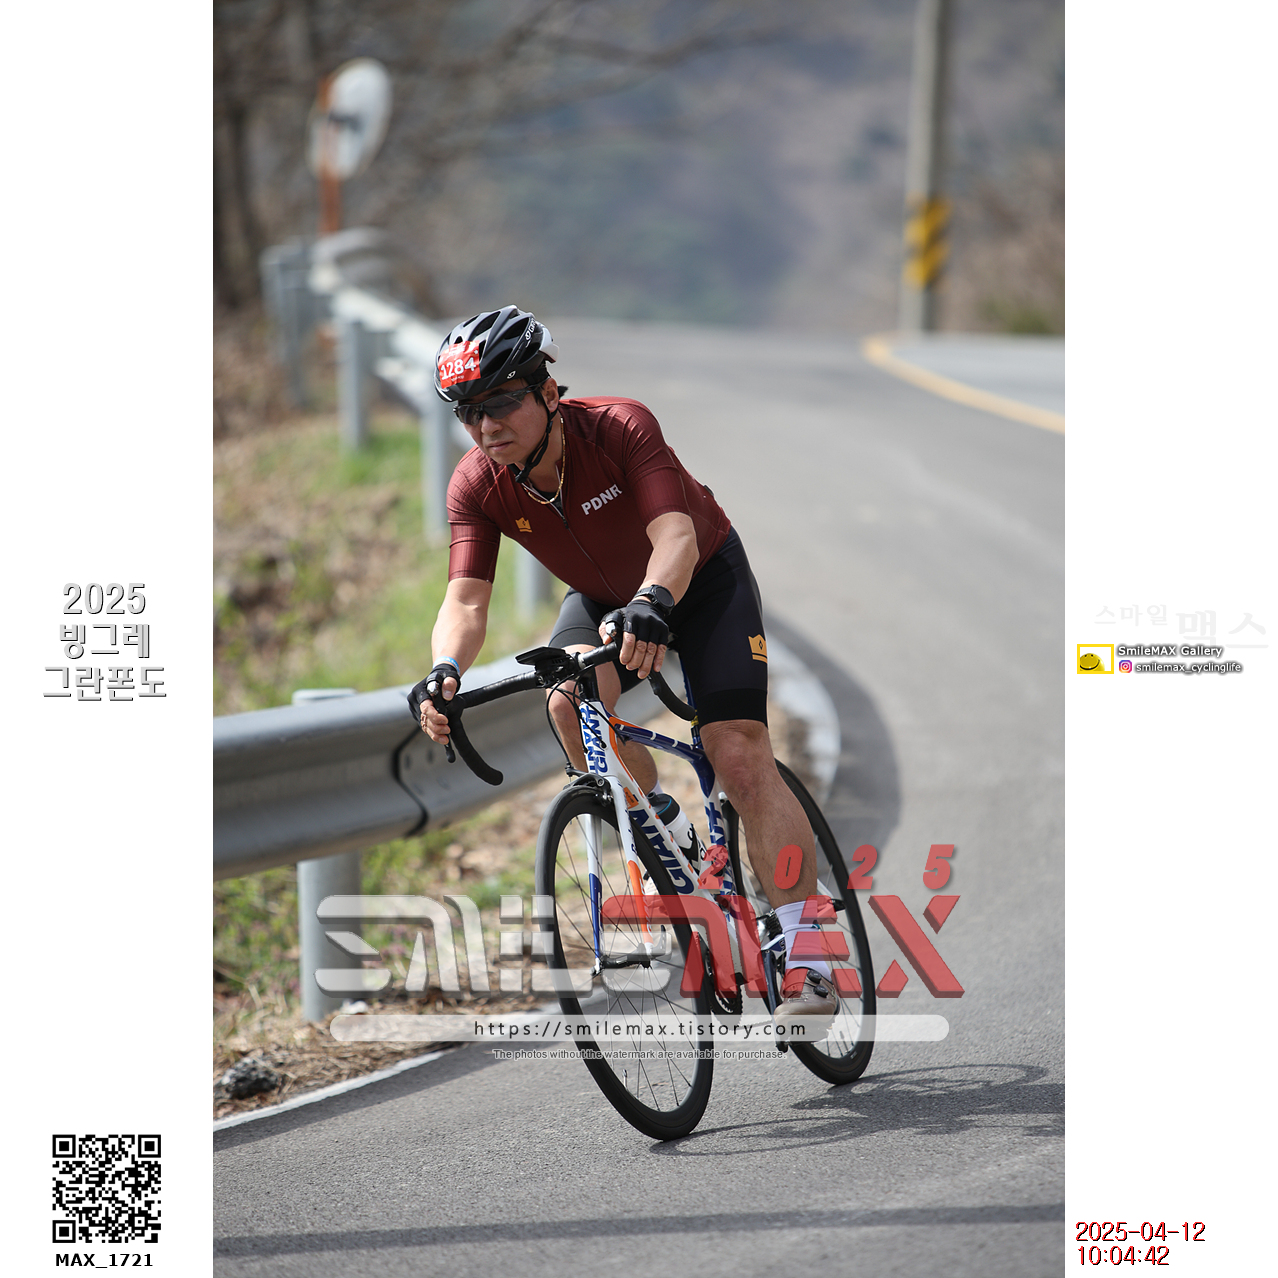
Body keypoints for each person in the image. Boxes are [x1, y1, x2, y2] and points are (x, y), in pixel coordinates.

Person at [417, 305, 836, 1020]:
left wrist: (652, 600)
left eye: (501, 402)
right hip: (606, 599)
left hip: (700, 582)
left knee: (736, 751)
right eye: (467, 411)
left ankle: (810, 954)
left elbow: (675, 536)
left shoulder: (619, 426)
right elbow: (466, 599)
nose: (485, 426)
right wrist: (444, 669)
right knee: (567, 702)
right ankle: (666, 831)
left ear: (549, 391)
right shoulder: (477, 485)